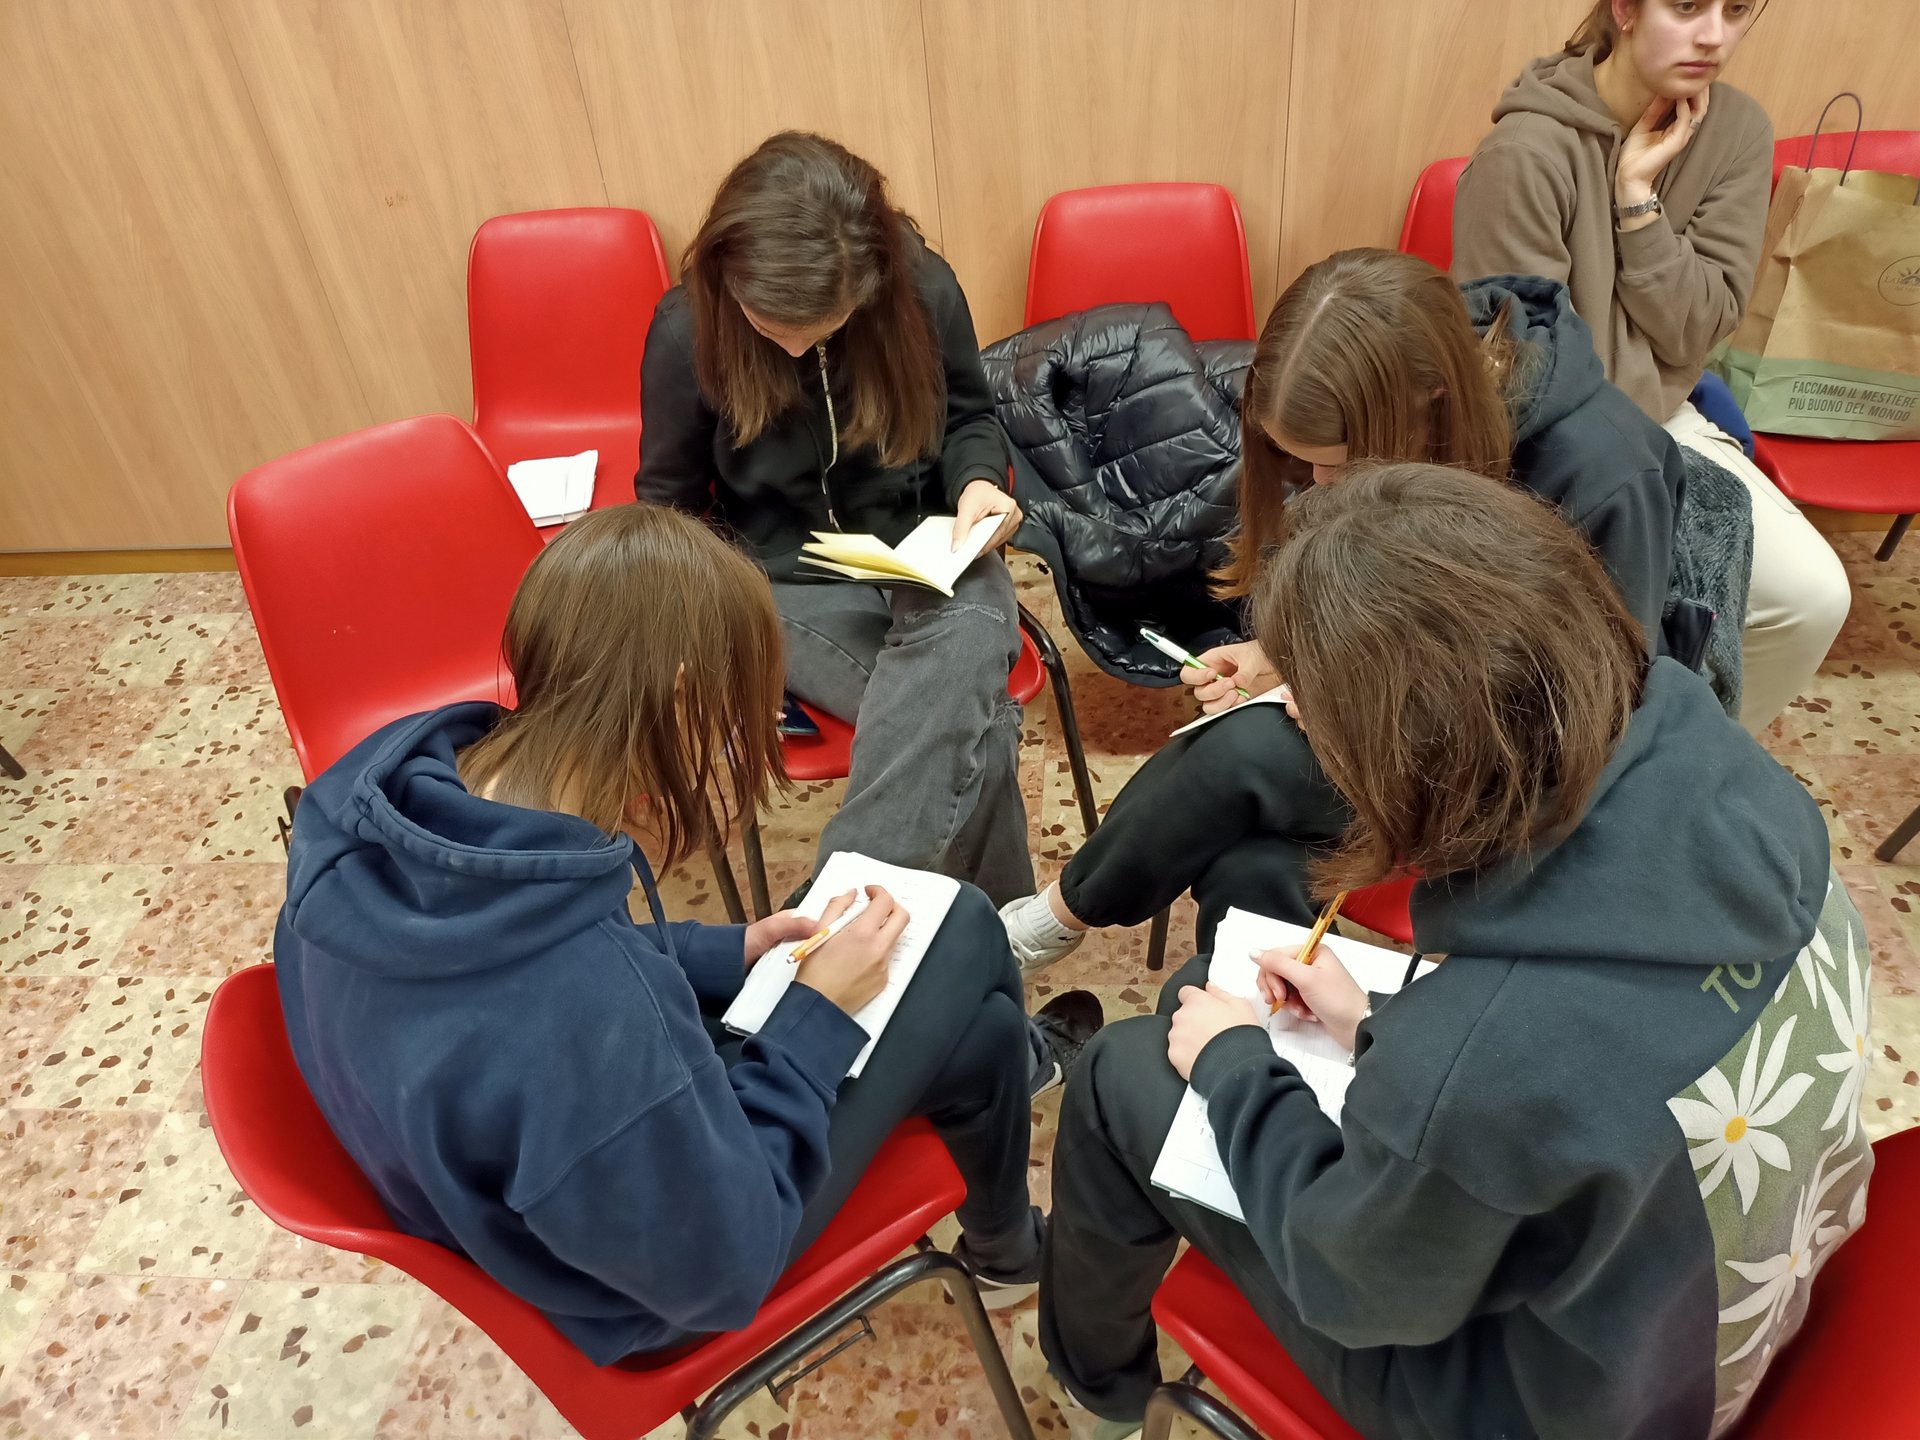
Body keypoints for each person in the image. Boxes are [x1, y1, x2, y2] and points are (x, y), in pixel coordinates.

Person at [1040, 464, 1872, 1440]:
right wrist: (1374, 1025)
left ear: (1403, 756)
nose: (1295, 719)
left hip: (1548, 1409)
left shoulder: (1482, 1064)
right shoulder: (1768, 805)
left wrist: (1236, 1072)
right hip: (1693, 1307)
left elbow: (1351, 1283)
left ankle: (1099, 1390)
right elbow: (1616, 1062)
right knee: (1203, 996)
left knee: (1122, 1072)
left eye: (1312, 708)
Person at [273, 506, 1101, 1366]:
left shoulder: (379, 802)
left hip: (522, 1183)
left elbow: (522, 978)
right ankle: (1013, 1218)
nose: (750, 746)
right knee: (961, 928)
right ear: (681, 700)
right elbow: (723, 1265)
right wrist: (814, 1017)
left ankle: (1008, 1225)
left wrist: (721, 952)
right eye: (751, 719)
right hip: (648, 1291)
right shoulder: (580, 1010)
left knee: (979, 1028)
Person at [1000, 247, 1686, 968]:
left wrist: (1357, 698)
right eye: (1303, 465)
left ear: (1425, 406)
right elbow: (1400, 605)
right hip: (1406, 727)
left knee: (1245, 754)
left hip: (1519, 777)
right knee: (1250, 866)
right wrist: (1283, 660)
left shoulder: (1604, 470)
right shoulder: (1410, 402)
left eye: (1335, 462)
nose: (1321, 485)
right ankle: (1244, 1031)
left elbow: (1590, 720)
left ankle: (1046, 926)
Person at [637, 130, 1033, 906]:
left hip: (928, 546)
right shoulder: (687, 330)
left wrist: (979, 483)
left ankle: (831, 916)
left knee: (970, 638)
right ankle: (995, 938)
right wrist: (701, 632)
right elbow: (668, 507)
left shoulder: (923, 290)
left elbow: (971, 418)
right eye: (770, 324)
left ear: (871, 286)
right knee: (980, 734)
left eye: (823, 327)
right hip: (781, 577)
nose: (794, 349)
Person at [1453, 0, 1849, 732]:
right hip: (1549, 443)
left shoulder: (1734, 130)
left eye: (1736, 10)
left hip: (1668, 415)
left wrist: (1637, 204)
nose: (1714, 35)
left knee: (1812, 598)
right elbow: (1526, 369)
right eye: (1688, 6)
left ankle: (1700, 754)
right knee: (1610, 638)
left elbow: (1703, 321)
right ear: (1627, 9)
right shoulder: (1524, 154)